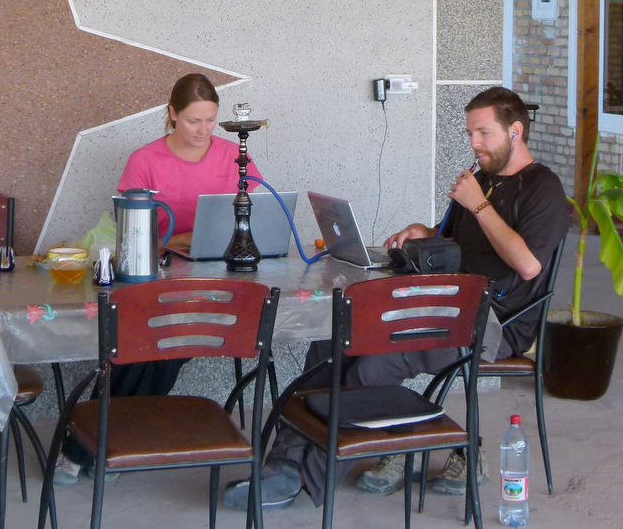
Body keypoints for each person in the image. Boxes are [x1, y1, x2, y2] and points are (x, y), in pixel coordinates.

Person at [222, 86, 569, 510]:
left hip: (493, 322)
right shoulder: (481, 182)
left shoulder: (543, 188)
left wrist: (478, 207)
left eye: (483, 133)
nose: (474, 143)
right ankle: (282, 466)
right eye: (470, 134)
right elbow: (455, 245)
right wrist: (425, 232)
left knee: (371, 364)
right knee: (331, 341)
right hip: (444, 303)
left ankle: (305, 477)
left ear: (515, 131)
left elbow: (528, 264)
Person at [55, 72, 262, 484]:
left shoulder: (233, 155)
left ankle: (91, 446)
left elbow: (252, 217)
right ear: (171, 115)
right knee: (146, 342)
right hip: (156, 275)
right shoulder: (145, 160)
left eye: (210, 120)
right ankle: (101, 443)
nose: (204, 131)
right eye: (193, 121)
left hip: (216, 276)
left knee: (168, 343)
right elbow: (130, 228)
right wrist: (183, 239)